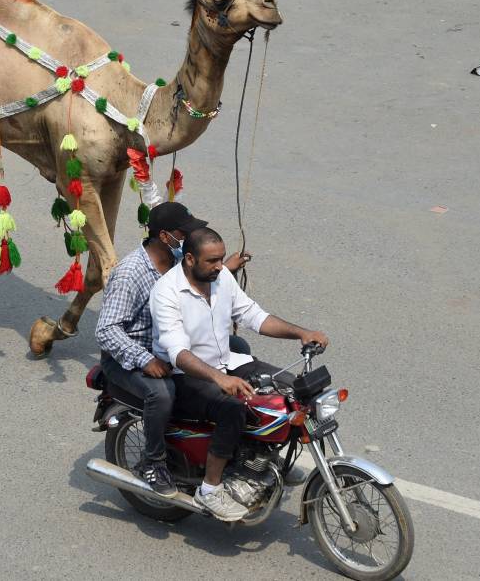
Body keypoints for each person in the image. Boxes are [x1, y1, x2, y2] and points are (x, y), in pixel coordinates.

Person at [150, 227, 328, 521]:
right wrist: (220, 379)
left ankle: (263, 460)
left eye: (221, 259)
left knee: (291, 391)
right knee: (232, 409)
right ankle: (211, 489)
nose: (221, 266)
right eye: (212, 261)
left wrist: (301, 332)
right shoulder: (167, 292)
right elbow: (177, 352)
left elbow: (254, 316)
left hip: (227, 361)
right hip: (185, 375)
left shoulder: (221, 280)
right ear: (191, 259)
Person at [95, 204, 249, 497]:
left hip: (169, 345)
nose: (191, 236)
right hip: (129, 356)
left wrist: (224, 268)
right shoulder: (130, 274)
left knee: (238, 347)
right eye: (184, 232)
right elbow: (106, 331)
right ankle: (153, 463)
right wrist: (145, 359)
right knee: (161, 392)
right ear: (165, 236)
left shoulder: (178, 258)